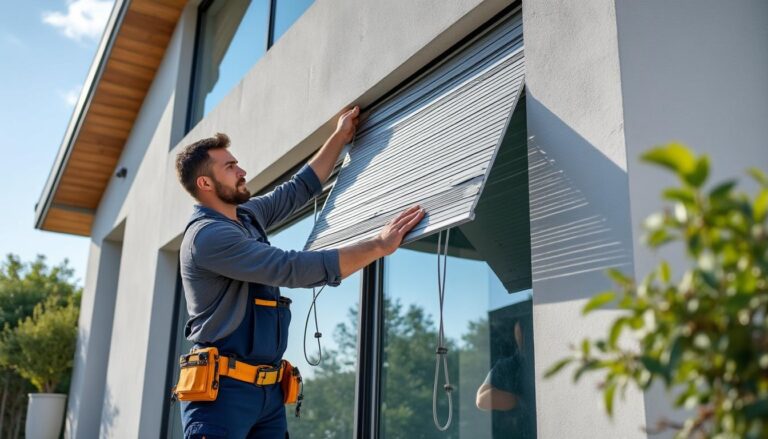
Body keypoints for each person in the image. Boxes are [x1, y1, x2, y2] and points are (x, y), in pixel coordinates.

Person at [174, 106, 425, 438]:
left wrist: (340, 137)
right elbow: (290, 268)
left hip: (268, 393)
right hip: (222, 396)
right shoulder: (207, 237)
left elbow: (296, 190)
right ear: (205, 183)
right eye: (230, 167)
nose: (242, 171)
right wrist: (378, 246)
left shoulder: (246, 217)